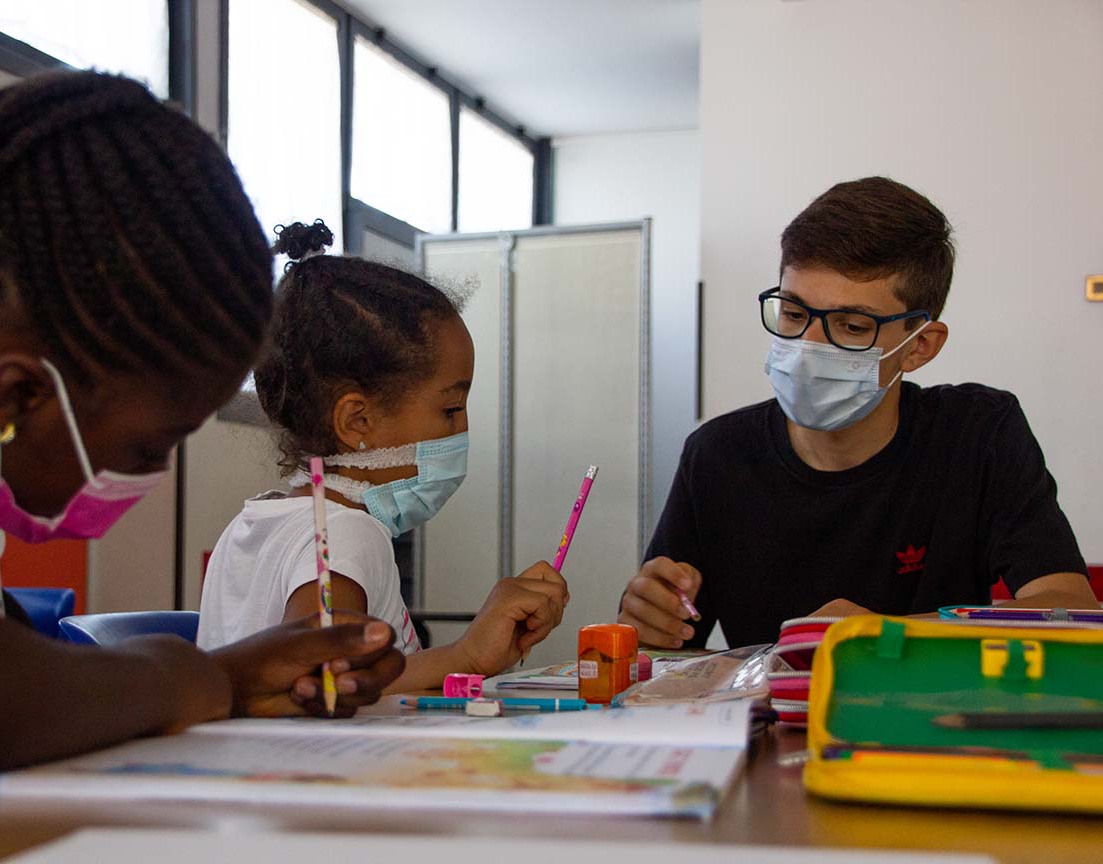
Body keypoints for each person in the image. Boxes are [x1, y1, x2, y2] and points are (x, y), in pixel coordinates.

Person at [0, 73, 403, 797]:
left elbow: (13, 688)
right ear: (22, 394)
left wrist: (239, 681)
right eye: (147, 448)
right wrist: (204, 676)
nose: (147, 478)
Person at [619, 177, 1095, 649]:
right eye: (792, 312)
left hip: (932, 717)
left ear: (920, 347)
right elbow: (669, 649)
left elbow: (1070, 607)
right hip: (773, 720)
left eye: (850, 326)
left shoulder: (977, 433)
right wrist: (648, 623)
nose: (808, 346)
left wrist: (890, 635)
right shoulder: (718, 455)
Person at [197, 221, 569, 689]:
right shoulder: (347, 532)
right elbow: (324, 684)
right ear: (357, 422)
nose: (463, 428)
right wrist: (467, 655)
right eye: (450, 409)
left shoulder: (250, 525)